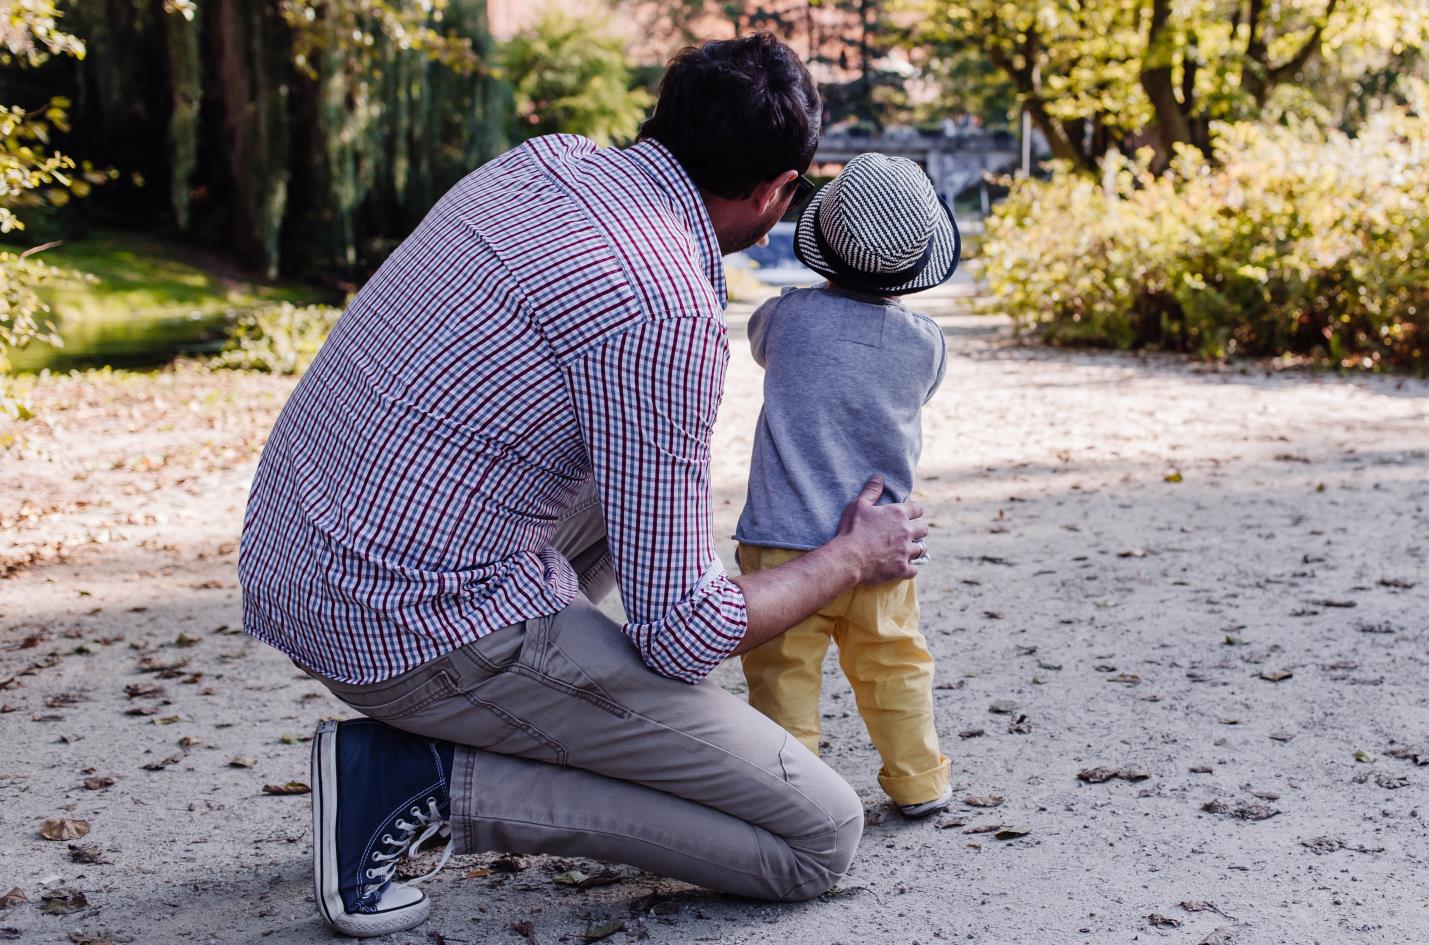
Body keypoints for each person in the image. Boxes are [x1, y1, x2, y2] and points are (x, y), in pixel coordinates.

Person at [237, 34, 928, 938]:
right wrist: (847, 557)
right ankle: (417, 782)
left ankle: (548, 701)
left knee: (636, 481)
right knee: (816, 835)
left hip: (300, 555)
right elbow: (687, 634)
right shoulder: (667, 308)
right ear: (776, 192)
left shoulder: (543, 162)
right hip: (407, 622)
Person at [734, 153, 957, 818]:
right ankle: (919, 779)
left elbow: (756, 343)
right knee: (895, 665)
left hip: (782, 548)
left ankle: (791, 795)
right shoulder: (926, 343)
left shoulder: (785, 319)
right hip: (882, 546)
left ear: (821, 242)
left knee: (782, 678)